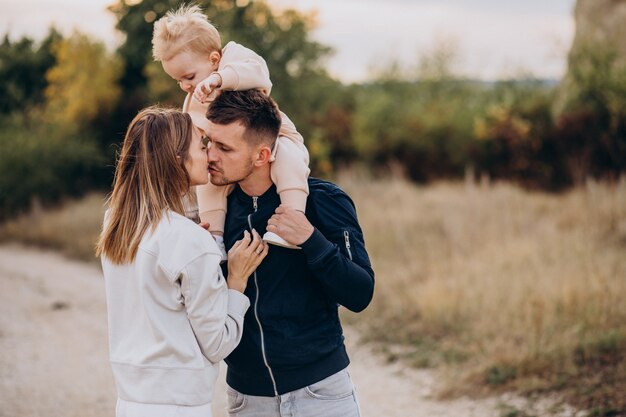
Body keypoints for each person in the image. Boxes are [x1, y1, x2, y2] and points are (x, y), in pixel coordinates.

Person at [203, 89, 375, 417]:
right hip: (247, 399)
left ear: (261, 155)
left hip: (322, 393)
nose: (211, 155)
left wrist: (311, 240)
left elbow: (360, 293)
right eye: (209, 142)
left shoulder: (322, 200)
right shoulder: (214, 218)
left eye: (224, 147)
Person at [96, 106, 269, 417]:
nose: (209, 154)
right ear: (178, 159)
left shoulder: (117, 224)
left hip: (131, 401)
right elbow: (217, 344)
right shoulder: (189, 241)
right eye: (201, 145)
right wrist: (236, 281)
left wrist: (188, 232)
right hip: (179, 406)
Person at [152, 4, 309, 252]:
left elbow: (259, 75)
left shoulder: (234, 57)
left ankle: (292, 215)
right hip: (231, 152)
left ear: (214, 59)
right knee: (209, 179)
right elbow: (195, 133)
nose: (184, 85)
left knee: (289, 161)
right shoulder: (194, 99)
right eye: (178, 80)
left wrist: (219, 79)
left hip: (275, 133)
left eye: (189, 77)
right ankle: (215, 236)